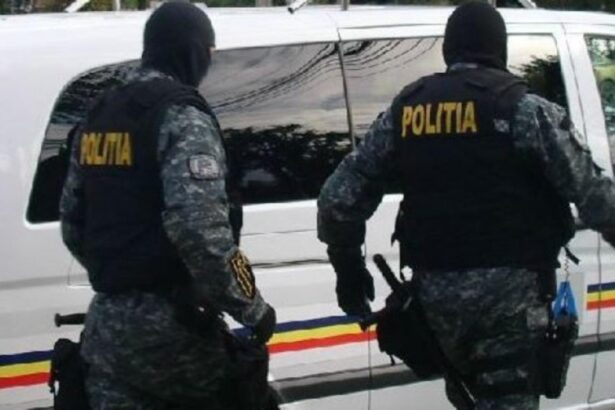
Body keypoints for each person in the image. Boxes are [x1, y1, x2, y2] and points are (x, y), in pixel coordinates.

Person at [317, 2, 615, 409]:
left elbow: (337, 200)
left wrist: (348, 269)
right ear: (500, 49)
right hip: (508, 307)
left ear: (449, 50)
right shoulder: (524, 111)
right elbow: (595, 196)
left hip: (436, 306)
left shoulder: (407, 112)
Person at [59, 2, 276, 408]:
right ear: (192, 52)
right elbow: (199, 230)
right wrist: (253, 308)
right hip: (174, 337)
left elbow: (72, 222)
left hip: (106, 333)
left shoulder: (99, 115)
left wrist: (121, 273)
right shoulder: (182, 116)